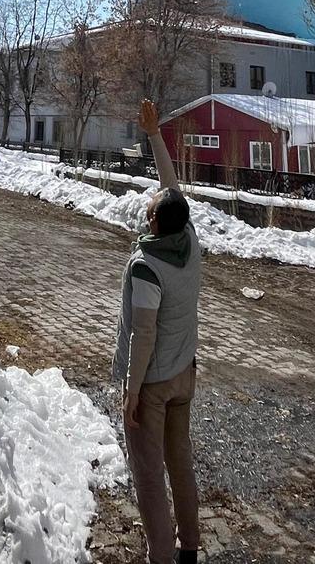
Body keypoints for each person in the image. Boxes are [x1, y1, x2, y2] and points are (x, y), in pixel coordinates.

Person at [112, 99, 201, 564]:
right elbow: (173, 189)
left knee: (148, 474)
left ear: (152, 222)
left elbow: (142, 335)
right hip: (185, 374)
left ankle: (161, 556)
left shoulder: (148, 268)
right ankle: (189, 546)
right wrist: (154, 136)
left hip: (154, 384)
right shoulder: (189, 242)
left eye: (149, 207)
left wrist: (130, 392)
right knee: (180, 462)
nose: (152, 200)